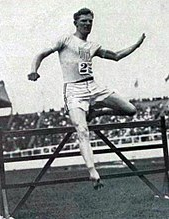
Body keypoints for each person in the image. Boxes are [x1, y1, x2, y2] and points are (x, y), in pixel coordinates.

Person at [28, 8, 146, 189]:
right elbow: (40, 54)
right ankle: (92, 170)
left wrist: (136, 46)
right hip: (74, 90)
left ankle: (96, 113)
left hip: (93, 87)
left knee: (130, 110)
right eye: (84, 21)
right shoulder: (66, 40)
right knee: (82, 129)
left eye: (90, 21)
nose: (87, 24)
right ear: (75, 22)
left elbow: (115, 56)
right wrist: (34, 70)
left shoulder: (93, 46)